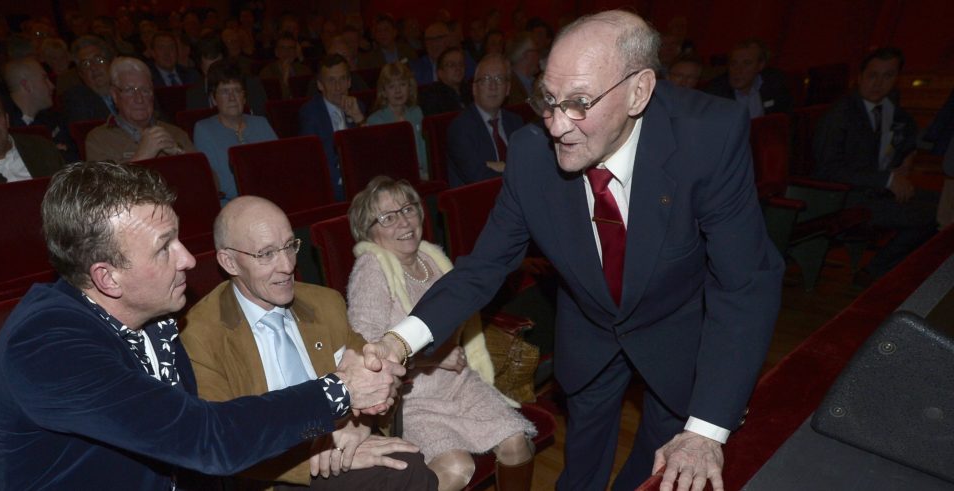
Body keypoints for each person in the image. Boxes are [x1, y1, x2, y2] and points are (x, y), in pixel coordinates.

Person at [363, 11, 784, 491]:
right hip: (590, 332)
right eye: (548, 99)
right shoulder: (530, 155)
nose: (558, 125)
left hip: (675, 333)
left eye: (580, 103)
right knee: (580, 469)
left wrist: (707, 428)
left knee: (659, 463)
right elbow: (482, 269)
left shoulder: (707, 138)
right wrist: (398, 341)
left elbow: (745, 283)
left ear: (639, 91)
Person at [0, 161, 405, 489]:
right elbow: (208, 438)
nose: (188, 259)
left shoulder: (152, 312)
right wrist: (340, 389)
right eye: (164, 248)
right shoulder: (46, 348)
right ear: (106, 277)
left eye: (179, 238)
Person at [181, 196, 438, 490]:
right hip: (273, 471)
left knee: (407, 463)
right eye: (266, 254)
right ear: (229, 261)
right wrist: (316, 454)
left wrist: (360, 424)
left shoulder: (324, 302)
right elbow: (223, 440)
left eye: (290, 246)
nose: (288, 265)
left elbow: (378, 377)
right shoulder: (201, 335)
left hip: (338, 441)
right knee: (406, 471)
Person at [347, 176, 536, 491]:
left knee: (517, 444)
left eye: (408, 209)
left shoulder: (431, 258)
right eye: (388, 217)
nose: (404, 222)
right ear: (368, 231)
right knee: (456, 467)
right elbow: (369, 354)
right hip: (412, 399)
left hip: (461, 385)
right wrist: (432, 358)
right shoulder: (372, 270)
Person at [813, 47, 937, 285]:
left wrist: (906, 158)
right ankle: (876, 273)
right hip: (845, 196)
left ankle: (893, 271)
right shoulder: (842, 113)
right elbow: (829, 170)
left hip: (875, 189)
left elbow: (907, 128)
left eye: (887, 76)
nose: (878, 83)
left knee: (944, 205)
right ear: (859, 77)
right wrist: (888, 180)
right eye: (872, 75)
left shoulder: (888, 104)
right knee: (932, 215)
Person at [193, 60, 277, 204]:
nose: (232, 98)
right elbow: (223, 186)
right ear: (214, 99)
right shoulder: (203, 130)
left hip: (270, 200)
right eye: (225, 91)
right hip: (233, 207)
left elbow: (280, 167)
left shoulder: (261, 123)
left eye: (237, 90)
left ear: (244, 97)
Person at [85, 56, 195, 163]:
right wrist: (143, 156)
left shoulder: (176, 133)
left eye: (145, 90)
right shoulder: (98, 140)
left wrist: (179, 155)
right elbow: (105, 182)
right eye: (129, 90)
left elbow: (206, 178)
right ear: (114, 95)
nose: (139, 99)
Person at [446, 53, 523, 186]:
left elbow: (531, 164)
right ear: (474, 88)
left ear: (508, 89)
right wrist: (513, 168)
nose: (493, 86)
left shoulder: (516, 122)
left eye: (499, 79)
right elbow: (478, 177)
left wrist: (500, 166)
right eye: (486, 79)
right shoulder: (460, 128)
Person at [299, 54, 366, 201]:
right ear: (320, 85)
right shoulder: (310, 114)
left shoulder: (358, 106)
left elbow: (369, 152)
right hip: (330, 188)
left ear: (349, 82)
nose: (338, 87)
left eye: (342, 79)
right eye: (331, 81)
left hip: (361, 184)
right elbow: (313, 162)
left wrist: (359, 119)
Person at [3, 57, 78, 162]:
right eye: (45, 78)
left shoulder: (54, 119)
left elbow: (74, 158)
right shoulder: (3, 127)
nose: (52, 86)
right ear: (27, 85)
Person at [366, 62, 427, 179]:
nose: (398, 91)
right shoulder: (375, 120)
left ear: (409, 87)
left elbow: (423, 147)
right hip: (393, 180)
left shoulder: (416, 112)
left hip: (422, 175)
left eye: (402, 84)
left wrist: (428, 174)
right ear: (383, 92)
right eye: (392, 86)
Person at [704, 39, 792, 117]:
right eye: (733, 63)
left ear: (760, 65)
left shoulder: (775, 83)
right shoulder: (715, 93)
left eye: (746, 63)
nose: (738, 70)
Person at [62, 35, 118, 123]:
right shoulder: (77, 101)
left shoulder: (128, 89)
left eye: (99, 60)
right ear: (81, 74)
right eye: (86, 64)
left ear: (111, 63)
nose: (93, 67)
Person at [419, 47, 470, 116]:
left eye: (461, 64)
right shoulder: (432, 96)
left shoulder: (472, 90)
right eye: (451, 65)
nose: (458, 68)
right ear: (440, 73)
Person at [506, 33, 540, 105]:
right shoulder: (510, 86)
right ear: (527, 55)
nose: (538, 56)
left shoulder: (536, 82)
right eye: (536, 51)